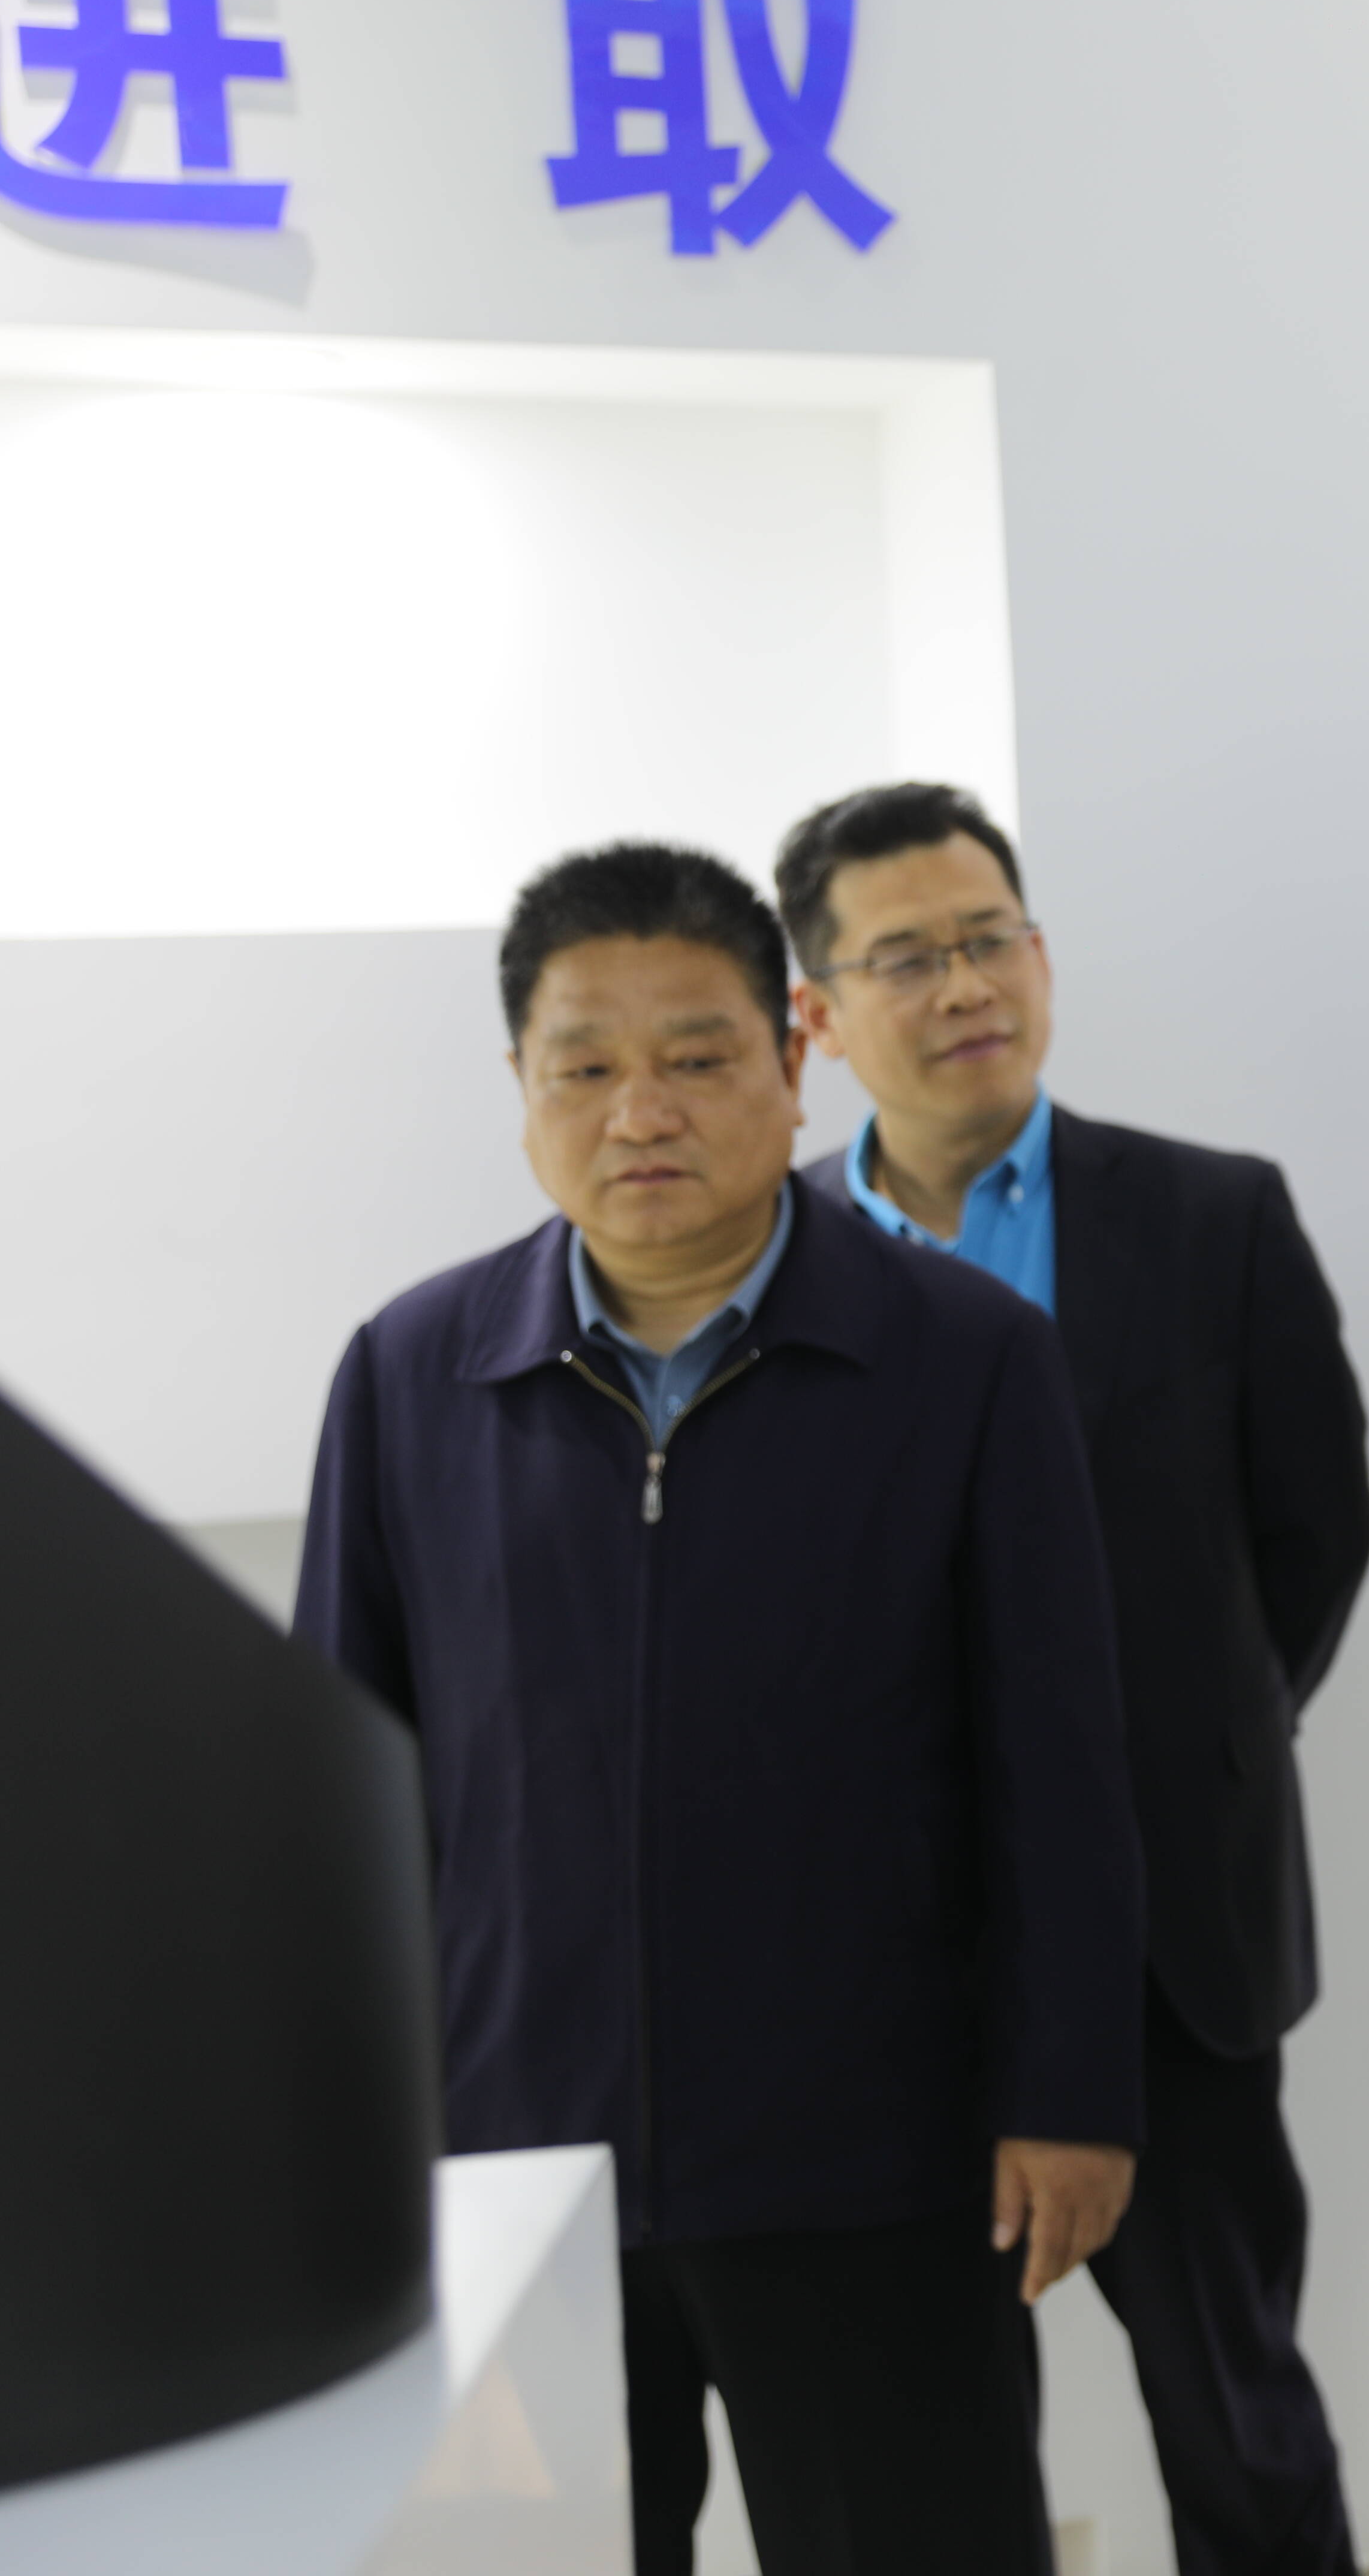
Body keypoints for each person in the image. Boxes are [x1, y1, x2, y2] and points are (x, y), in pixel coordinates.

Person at [295, 843, 1143, 2574]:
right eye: (584, 1069)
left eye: (696, 1057)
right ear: (522, 1088)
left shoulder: (966, 1356)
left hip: (871, 2155)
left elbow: (1056, 1760)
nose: (641, 1113)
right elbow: (341, 1787)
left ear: (793, 1056)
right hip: (517, 2165)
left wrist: (1071, 2087)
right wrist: (351, 2139)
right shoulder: (411, 1372)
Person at [776, 782, 1369, 2576]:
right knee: (917, 2453)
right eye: (908, 957)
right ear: (818, 1013)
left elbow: (1314, 1531)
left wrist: (1176, 1753)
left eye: (991, 939)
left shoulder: (1209, 1216)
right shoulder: (771, 1263)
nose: (966, 985)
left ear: (1038, 955)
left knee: (1237, 2415)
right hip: (870, 1964)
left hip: (1168, 1946)